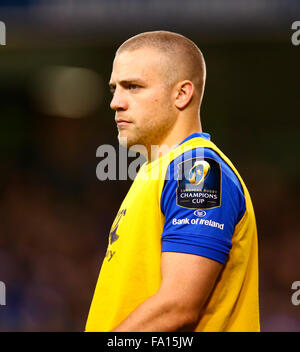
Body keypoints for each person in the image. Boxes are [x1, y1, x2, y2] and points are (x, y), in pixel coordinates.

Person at [85, 31, 260, 332]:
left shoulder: (198, 169)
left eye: (133, 87)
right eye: (114, 88)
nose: (115, 102)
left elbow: (177, 306)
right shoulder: (156, 172)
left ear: (182, 94)